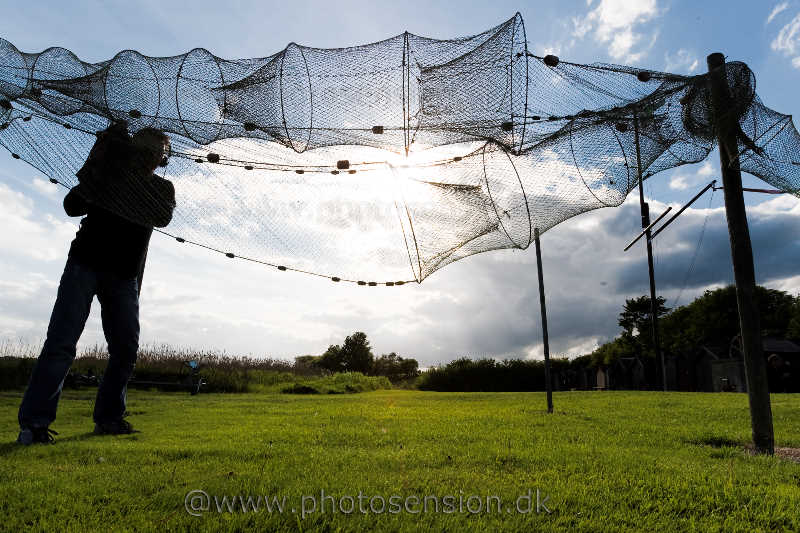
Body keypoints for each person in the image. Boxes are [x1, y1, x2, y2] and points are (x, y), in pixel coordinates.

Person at [17, 123, 176, 445]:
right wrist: (100, 166)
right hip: (84, 264)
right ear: (135, 149)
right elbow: (72, 206)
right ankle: (34, 426)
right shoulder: (107, 173)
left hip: (124, 276)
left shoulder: (162, 188)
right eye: (148, 150)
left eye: (158, 154)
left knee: (125, 349)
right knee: (61, 344)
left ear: (162, 159)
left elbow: (162, 217)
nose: (153, 158)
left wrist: (116, 174)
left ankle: (109, 418)